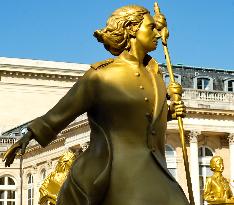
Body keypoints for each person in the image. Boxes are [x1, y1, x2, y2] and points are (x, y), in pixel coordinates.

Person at [3, 4, 189, 205]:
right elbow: (62, 112)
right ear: (131, 29)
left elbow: (144, 116)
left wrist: (169, 112)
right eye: (151, 27)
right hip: (116, 171)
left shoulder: (156, 75)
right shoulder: (101, 76)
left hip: (157, 168)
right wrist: (28, 136)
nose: (157, 33)